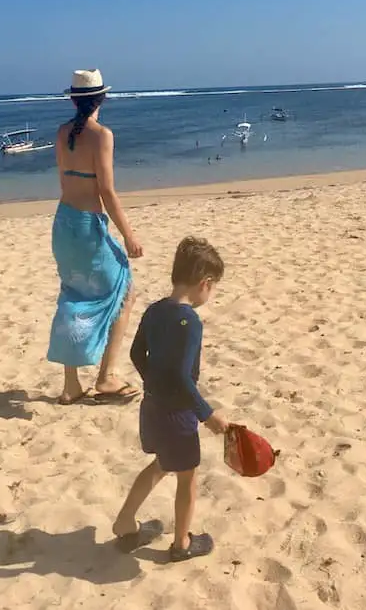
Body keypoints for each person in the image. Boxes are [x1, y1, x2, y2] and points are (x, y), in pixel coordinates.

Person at [112, 236, 230, 561]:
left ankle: (125, 522)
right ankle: (182, 543)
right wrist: (207, 414)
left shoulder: (154, 310)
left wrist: (153, 382)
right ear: (205, 283)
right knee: (187, 478)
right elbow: (181, 376)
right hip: (177, 415)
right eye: (214, 286)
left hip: (151, 406)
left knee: (161, 464)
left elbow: (137, 352)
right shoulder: (189, 321)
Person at [47, 69, 144, 406]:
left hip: (64, 223)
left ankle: (71, 385)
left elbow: (63, 182)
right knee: (125, 289)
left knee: (73, 294)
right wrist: (128, 237)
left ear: (74, 99)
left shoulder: (62, 133)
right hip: (87, 226)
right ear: (102, 99)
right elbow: (106, 190)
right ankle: (106, 377)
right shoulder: (102, 135)